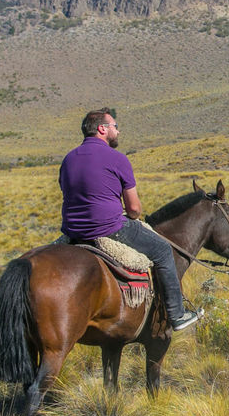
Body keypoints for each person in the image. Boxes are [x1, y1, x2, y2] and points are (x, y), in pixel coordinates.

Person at [59, 108, 200, 331]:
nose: (118, 131)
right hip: (109, 227)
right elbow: (134, 209)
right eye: (115, 126)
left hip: (73, 230)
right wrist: (129, 214)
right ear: (102, 129)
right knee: (163, 250)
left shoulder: (68, 159)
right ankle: (177, 314)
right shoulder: (117, 159)